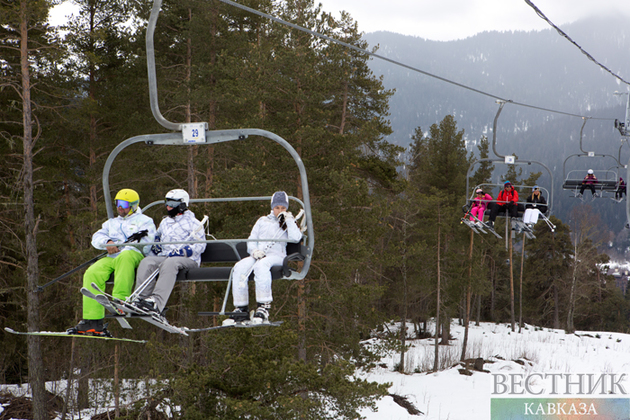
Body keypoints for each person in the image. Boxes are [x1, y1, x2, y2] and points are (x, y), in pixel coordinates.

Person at [67, 189, 156, 336]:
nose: (119, 207)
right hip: (113, 257)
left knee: (125, 256)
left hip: (133, 255)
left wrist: (127, 244)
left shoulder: (144, 221)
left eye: (124, 204)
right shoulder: (111, 223)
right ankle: (92, 321)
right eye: (117, 203)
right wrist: (107, 242)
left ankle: (120, 300)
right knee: (92, 272)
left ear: (133, 206)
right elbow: (97, 237)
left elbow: (147, 243)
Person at [223, 191, 302, 326]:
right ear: (272, 207)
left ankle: (264, 306)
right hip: (259, 255)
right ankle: (241, 308)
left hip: (276, 255)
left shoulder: (288, 222)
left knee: (262, 266)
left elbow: (296, 237)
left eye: (283, 208)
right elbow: (252, 239)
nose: (280, 210)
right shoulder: (262, 221)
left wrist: (288, 220)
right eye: (277, 207)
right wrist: (254, 251)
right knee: (240, 267)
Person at [130, 189, 207, 321]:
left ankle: (156, 303)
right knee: (147, 262)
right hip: (166, 256)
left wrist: (183, 251)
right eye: (166, 202)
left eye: (172, 202)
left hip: (188, 259)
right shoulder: (165, 222)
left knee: (170, 263)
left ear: (182, 204)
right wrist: (156, 244)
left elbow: (201, 245)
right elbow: (158, 236)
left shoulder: (193, 223)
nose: (168, 206)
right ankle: (141, 299)